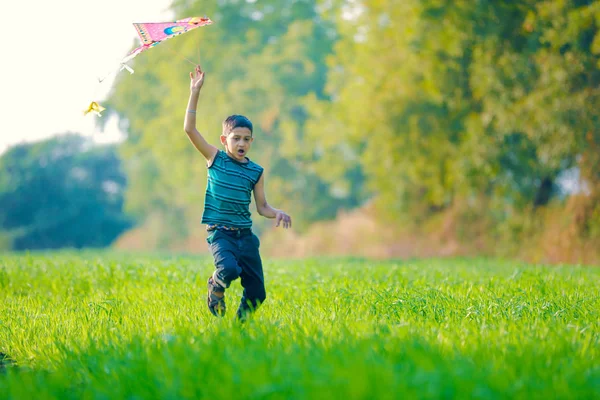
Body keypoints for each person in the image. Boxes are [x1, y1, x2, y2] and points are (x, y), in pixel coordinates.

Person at [183, 64, 292, 320]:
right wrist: (195, 91)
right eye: (236, 138)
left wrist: (277, 212)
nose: (241, 143)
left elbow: (262, 207)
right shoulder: (215, 158)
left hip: (246, 236)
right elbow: (189, 129)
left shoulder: (256, 171)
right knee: (228, 269)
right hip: (220, 233)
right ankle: (216, 287)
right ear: (224, 140)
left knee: (257, 293)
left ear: (252, 141)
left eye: (246, 138)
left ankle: (238, 331)